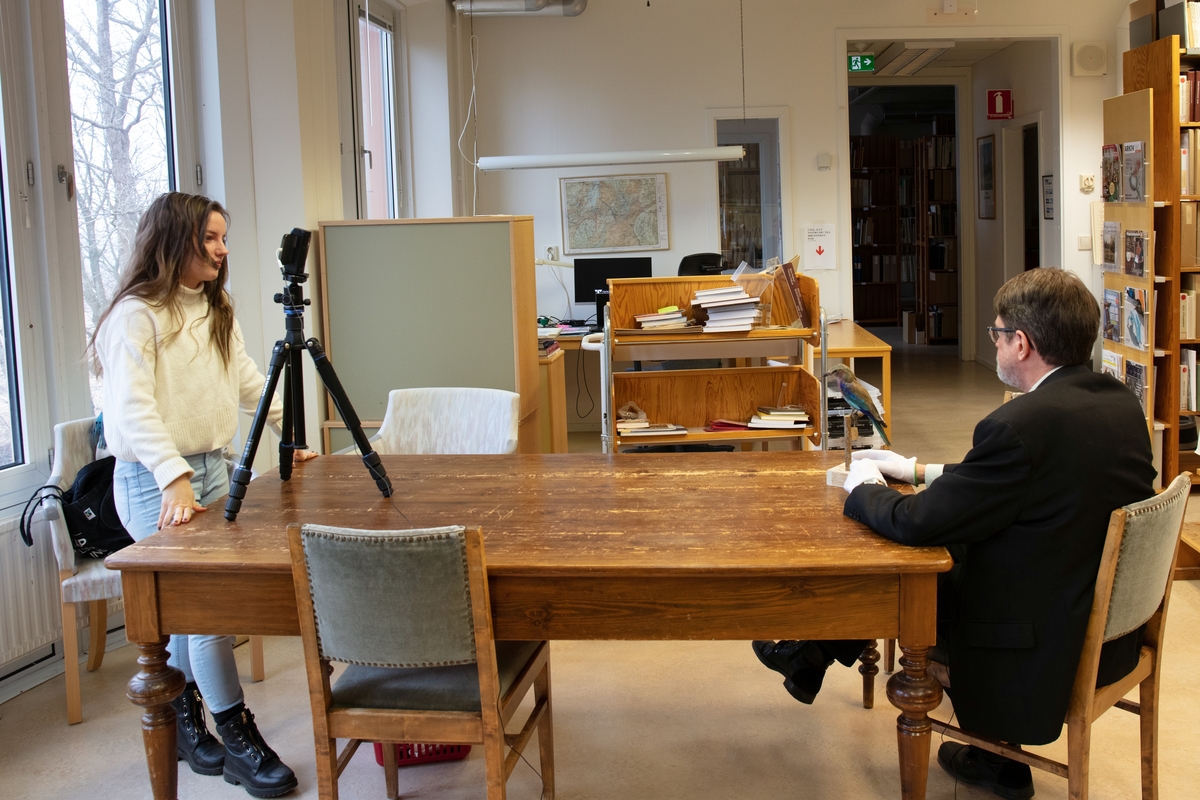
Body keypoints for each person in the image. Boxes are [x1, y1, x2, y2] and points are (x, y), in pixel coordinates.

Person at [753, 268, 1155, 799]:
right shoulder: (1115, 400)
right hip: (1101, 621)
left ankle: (993, 759)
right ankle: (808, 658)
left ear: (1022, 342)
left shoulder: (1022, 424)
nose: (994, 345)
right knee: (952, 537)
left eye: (996, 334)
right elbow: (1019, 483)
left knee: (905, 557)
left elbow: (915, 522)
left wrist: (859, 486)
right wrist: (915, 470)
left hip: (1038, 638)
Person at [92, 192, 315, 798]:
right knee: (207, 611)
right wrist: (173, 477)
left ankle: (188, 722)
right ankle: (236, 734)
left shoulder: (214, 306)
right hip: (154, 480)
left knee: (202, 615)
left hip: (213, 468)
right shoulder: (135, 316)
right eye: (211, 238)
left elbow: (247, 378)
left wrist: (283, 435)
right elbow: (131, 410)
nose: (222, 250)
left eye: (224, 238)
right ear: (176, 240)